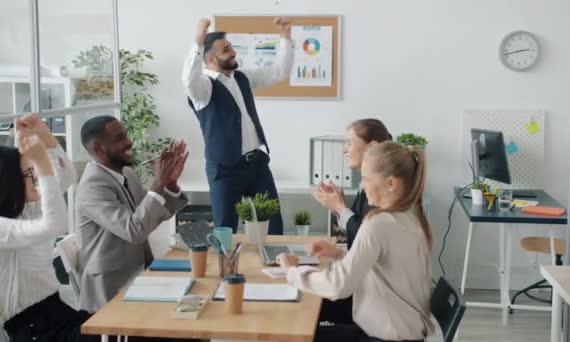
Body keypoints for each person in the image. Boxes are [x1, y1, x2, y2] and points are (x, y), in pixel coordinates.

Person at [280, 142, 434, 342]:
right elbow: (383, 267)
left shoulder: (379, 223)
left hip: (384, 336)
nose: (362, 186)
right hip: (405, 331)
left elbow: (339, 286)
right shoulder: (411, 215)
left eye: (366, 179)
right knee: (308, 317)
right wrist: (338, 254)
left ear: (391, 183)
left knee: (295, 331)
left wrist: (292, 272)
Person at [182, 17, 294, 234]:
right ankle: (226, 268)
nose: (233, 52)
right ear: (211, 59)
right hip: (225, 170)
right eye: (226, 49)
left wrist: (285, 37)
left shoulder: (241, 78)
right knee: (225, 228)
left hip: (257, 165)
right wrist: (197, 41)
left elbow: (280, 71)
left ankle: (274, 265)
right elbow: (188, 80)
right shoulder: (203, 89)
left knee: (273, 226)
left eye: (231, 46)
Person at [76, 116, 189, 313]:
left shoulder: (127, 173)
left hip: (142, 275)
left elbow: (156, 213)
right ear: (99, 149)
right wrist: (158, 184)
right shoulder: (91, 187)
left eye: (125, 135)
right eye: (119, 138)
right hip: (112, 288)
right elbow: (135, 230)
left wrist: (169, 184)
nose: (129, 142)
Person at [0, 114, 98, 342]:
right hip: (35, 331)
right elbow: (55, 224)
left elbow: (65, 175)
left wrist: (42, 133)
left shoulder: (26, 210)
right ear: (9, 183)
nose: (36, 180)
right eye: (28, 174)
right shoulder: (4, 227)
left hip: (57, 314)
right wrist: (41, 162)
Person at [312, 118, 392, 249]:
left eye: (349, 143)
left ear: (372, 147)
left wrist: (340, 208)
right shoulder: (365, 183)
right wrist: (338, 205)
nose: (344, 150)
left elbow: (365, 238)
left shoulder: (379, 189)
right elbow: (357, 224)